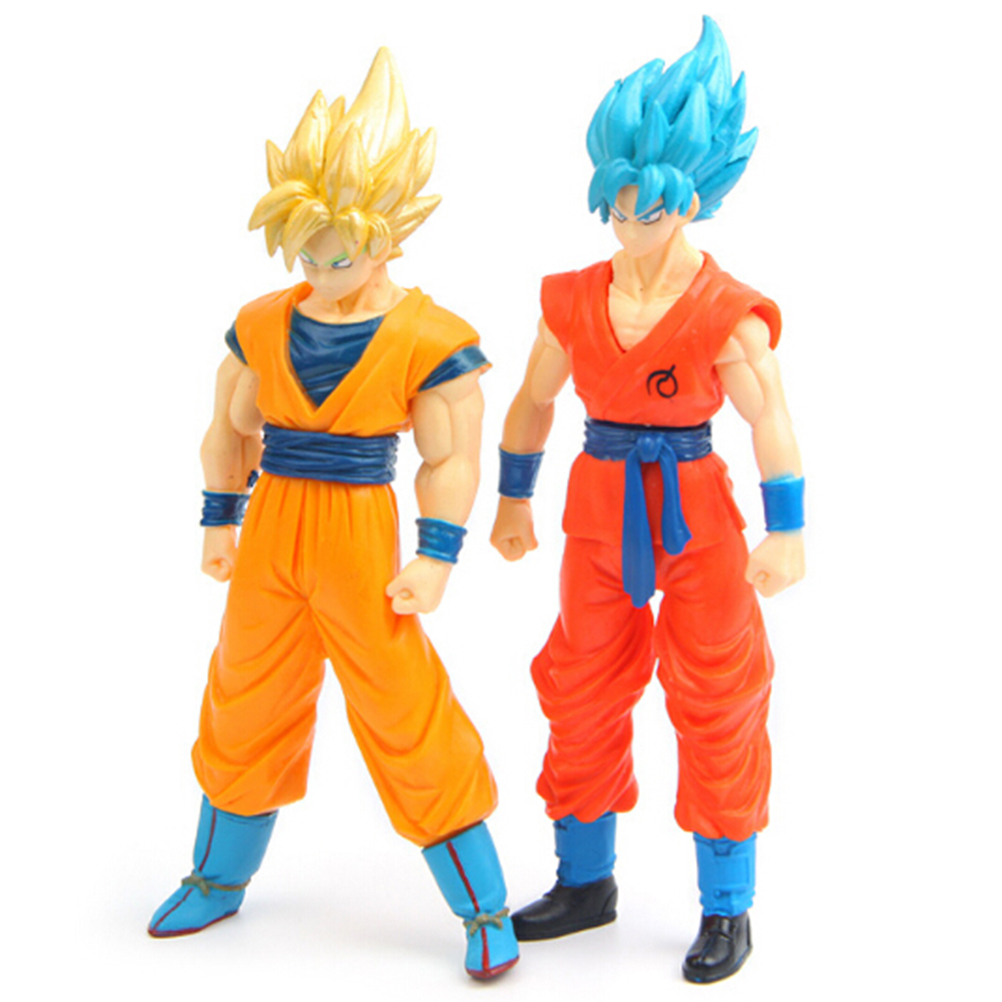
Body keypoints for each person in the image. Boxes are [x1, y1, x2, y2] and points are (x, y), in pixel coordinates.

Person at [148, 48, 519, 980]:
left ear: (387, 237)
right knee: (244, 693)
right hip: (273, 525)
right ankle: (216, 876)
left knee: (404, 707)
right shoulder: (263, 321)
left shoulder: (429, 337)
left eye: (337, 253)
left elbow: (451, 457)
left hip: (361, 536)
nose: (318, 268)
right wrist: (219, 520)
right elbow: (228, 429)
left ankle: (483, 906)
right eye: (304, 251)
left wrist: (436, 555)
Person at [490, 17, 804, 984]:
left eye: (649, 210)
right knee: (580, 682)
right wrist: (512, 499)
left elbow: (770, 417)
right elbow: (533, 400)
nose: (629, 227)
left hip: (697, 513)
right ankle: (584, 880)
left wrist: (787, 530)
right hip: (597, 505)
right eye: (616, 208)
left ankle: (726, 904)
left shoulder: (726, 312)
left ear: (691, 201)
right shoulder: (574, 299)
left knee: (718, 693)